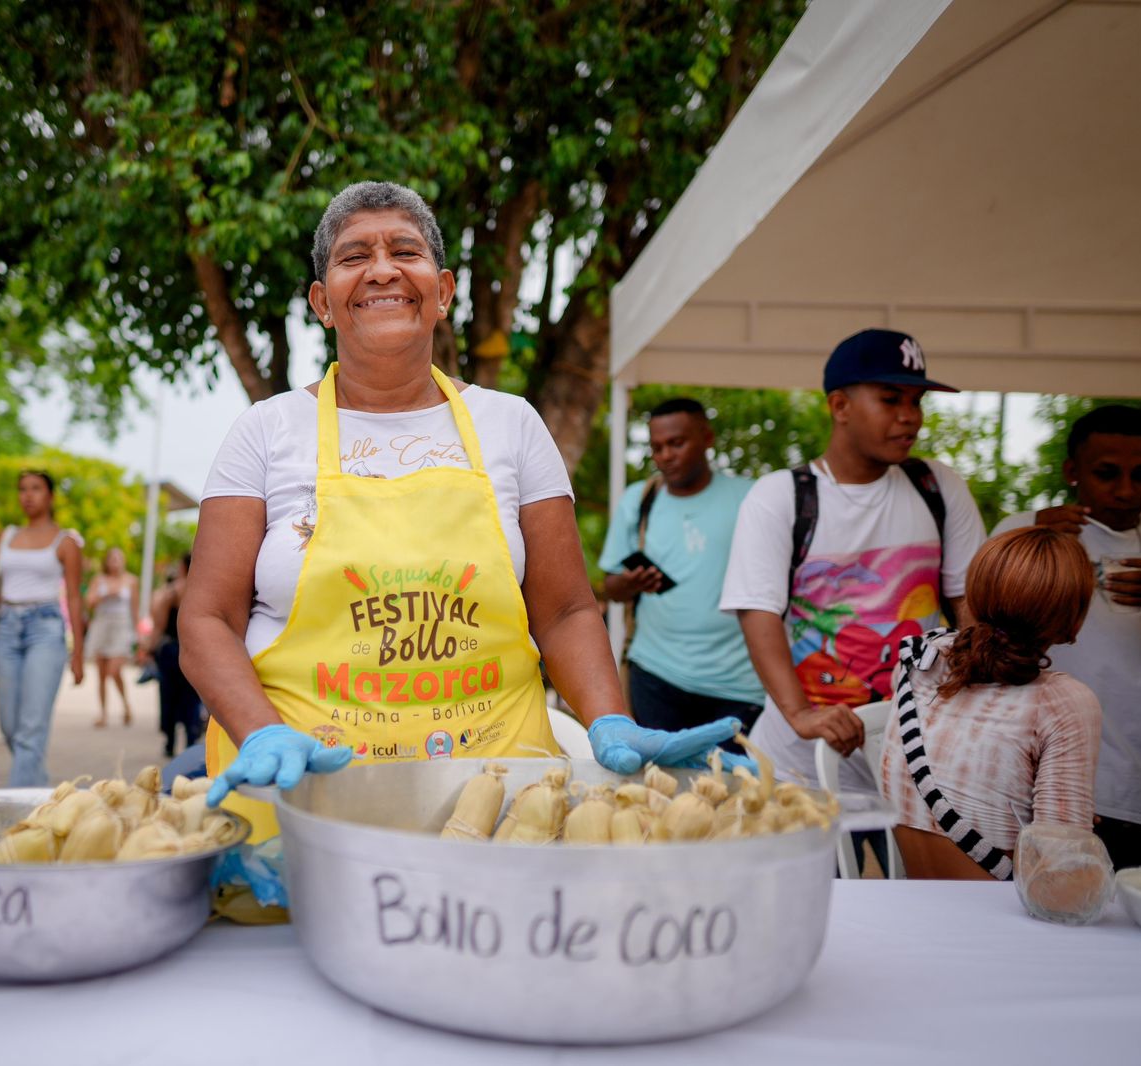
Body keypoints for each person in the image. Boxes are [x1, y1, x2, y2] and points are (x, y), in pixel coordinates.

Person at [182, 181, 750, 916]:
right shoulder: (264, 434)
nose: (382, 269)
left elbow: (569, 609)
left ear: (442, 291)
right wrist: (259, 734)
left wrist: (610, 720)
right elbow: (206, 621)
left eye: (405, 251)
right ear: (323, 302)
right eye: (355, 256)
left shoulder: (511, 425)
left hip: (501, 799)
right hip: (307, 798)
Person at [721, 329, 986, 793]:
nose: (910, 418)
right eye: (890, 399)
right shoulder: (781, 496)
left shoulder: (939, 488)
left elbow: (969, 603)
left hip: (918, 758)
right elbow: (757, 612)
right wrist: (802, 714)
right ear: (840, 406)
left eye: (916, 402)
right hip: (799, 766)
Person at [992, 405, 1141, 869]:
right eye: (1107, 473)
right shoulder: (1028, 531)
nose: (1126, 491)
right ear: (1072, 472)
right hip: (1051, 794)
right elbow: (988, 641)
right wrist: (1035, 548)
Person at [878, 527, 1100, 879]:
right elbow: (1063, 877)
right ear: (1072, 624)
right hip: (997, 921)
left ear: (974, 598)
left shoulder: (917, 661)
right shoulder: (1061, 702)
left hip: (914, 905)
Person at [599, 398, 763, 739]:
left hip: (738, 684)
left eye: (676, 443)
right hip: (657, 675)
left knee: (737, 787)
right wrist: (631, 583)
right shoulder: (638, 500)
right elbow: (610, 586)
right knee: (660, 786)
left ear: (707, 437)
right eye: (657, 447)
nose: (665, 456)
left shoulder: (750, 498)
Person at [0, 471, 86, 787]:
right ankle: (39, 790)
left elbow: (73, 598)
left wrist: (79, 653)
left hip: (45, 629)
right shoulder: (7, 536)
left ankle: (18, 814)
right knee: (9, 725)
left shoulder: (66, 542)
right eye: (22, 489)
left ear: (50, 496)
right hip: (6, 628)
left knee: (31, 728)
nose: (27, 495)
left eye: (36, 489)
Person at [140, 555, 200, 756]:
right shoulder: (203, 589)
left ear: (182, 567)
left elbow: (159, 625)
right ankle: (191, 738)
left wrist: (149, 649)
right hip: (196, 649)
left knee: (168, 696)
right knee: (191, 697)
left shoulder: (173, 591)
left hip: (172, 650)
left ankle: (170, 740)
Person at [84, 546, 137, 728]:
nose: (115, 562)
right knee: (101, 674)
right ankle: (103, 713)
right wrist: (105, 594)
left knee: (114, 670)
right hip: (102, 625)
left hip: (121, 627)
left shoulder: (131, 581)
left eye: (118, 558)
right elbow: (89, 602)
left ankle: (126, 705)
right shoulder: (99, 580)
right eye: (112, 558)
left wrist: (137, 635)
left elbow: (134, 610)